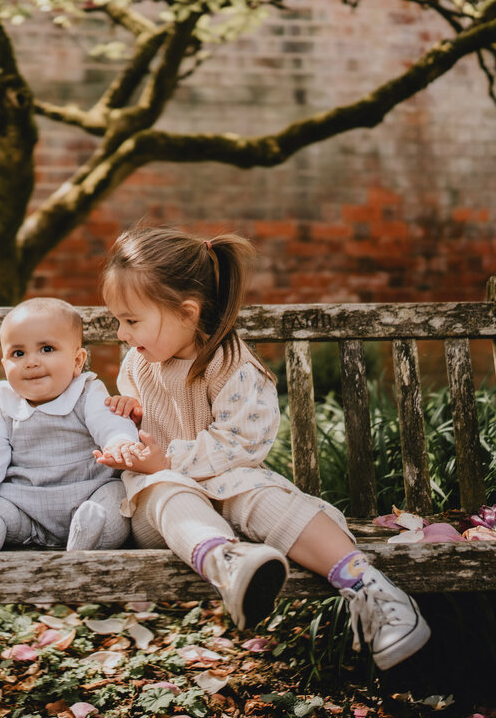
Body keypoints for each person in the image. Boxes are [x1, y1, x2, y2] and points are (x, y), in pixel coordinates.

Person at [94, 226, 430, 670]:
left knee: (263, 497)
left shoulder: (230, 364)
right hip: (165, 504)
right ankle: (227, 562)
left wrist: (170, 456)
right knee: (163, 492)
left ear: (188, 313)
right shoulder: (138, 363)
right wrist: (128, 421)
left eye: (131, 320)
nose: (121, 333)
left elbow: (243, 443)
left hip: (227, 481)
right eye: (118, 320)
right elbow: (141, 438)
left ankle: (370, 588)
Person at [0, 298, 138, 552]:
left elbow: (108, 422)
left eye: (47, 349)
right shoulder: (3, 405)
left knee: (115, 497)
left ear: (77, 361)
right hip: (24, 502)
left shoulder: (87, 393)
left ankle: (87, 540)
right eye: (18, 353)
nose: (31, 362)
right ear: (4, 365)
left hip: (86, 494)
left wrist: (119, 441)